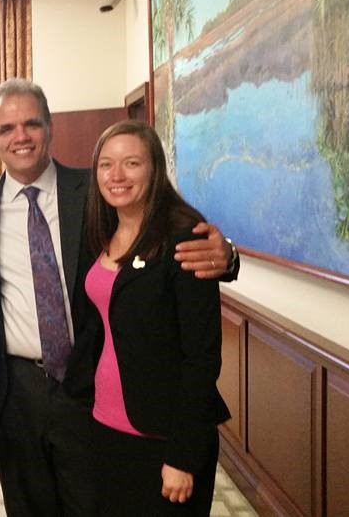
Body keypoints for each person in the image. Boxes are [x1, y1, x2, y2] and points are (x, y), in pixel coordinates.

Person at [0, 78, 238, 516]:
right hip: (16, 391)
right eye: (6, 128)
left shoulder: (98, 190)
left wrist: (227, 256)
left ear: (49, 129)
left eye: (31, 123)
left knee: (95, 503)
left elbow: (163, 231)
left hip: (88, 385)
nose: (20, 136)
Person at [77, 120, 230, 516]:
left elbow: (202, 357)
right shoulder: (104, 229)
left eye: (131, 163)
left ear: (155, 169)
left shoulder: (185, 238)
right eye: (105, 165)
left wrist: (182, 455)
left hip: (162, 433)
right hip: (105, 422)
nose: (116, 175)